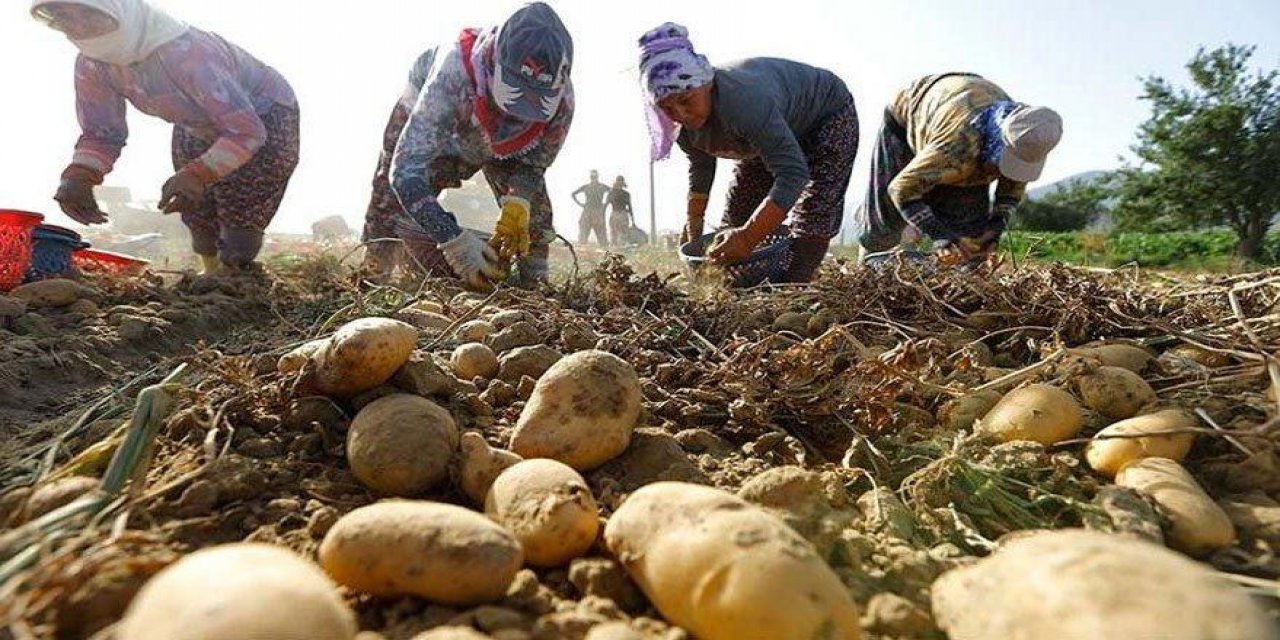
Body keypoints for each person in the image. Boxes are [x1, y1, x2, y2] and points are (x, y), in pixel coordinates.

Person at [32, 0, 299, 275]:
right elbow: (102, 133)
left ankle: (235, 280)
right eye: (64, 17)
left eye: (90, 14)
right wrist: (80, 175)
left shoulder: (187, 54)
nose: (79, 26)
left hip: (264, 115)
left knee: (240, 216)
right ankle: (210, 276)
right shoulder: (92, 64)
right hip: (194, 124)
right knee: (195, 207)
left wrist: (198, 174)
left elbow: (247, 131)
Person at [638, 23, 859, 283]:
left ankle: (794, 283)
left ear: (706, 83)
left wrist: (747, 238)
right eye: (667, 108)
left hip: (824, 114)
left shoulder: (744, 104)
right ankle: (740, 284)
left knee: (814, 212)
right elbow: (701, 163)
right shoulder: (679, 125)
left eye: (686, 100)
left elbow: (792, 174)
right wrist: (694, 219)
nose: (680, 114)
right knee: (736, 216)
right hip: (766, 132)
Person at [388, 2, 574, 290]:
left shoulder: (562, 103)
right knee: (391, 199)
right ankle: (376, 272)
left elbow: (534, 164)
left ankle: (536, 287)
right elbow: (404, 173)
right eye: (515, 98)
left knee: (534, 211)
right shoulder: (452, 76)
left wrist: (519, 200)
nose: (516, 115)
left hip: (513, 148)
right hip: (452, 125)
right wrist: (453, 240)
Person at [855, 73, 1063, 263]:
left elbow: (1012, 185)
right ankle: (869, 258)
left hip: (964, 127)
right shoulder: (957, 145)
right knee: (885, 220)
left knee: (971, 235)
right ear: (998, 145)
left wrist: (995, 227)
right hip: (909, 114)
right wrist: (940, 236)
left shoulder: (1028, 137)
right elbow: (901, 188)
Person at [572, 170, 610, 246]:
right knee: (584, 232)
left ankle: (603, 246)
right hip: (588, 210)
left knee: (601, 232)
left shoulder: (602, 187)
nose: (594, 178)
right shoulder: (586, 187)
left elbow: (612, 192)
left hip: (597, 211)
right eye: (592, 177)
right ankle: (582, 247)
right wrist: (580, 204)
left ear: (597, 177)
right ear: (590, 177)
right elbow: (573, 194)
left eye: (595, 177)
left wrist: (605, 204)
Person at [606, 175, 636, 246]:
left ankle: (620, 246)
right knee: (614, 235)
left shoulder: (626, 194)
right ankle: (615, 247)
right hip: (615, 213)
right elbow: (606, 205)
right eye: (619, 181)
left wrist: (632, 220)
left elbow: (630, 207)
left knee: (622, 234)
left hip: (622, 214)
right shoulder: (611, 193)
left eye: (621, 181)